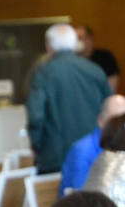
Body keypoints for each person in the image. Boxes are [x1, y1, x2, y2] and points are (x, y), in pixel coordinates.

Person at [26, 23, 112, 174]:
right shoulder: (95, 71)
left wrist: (37, 145)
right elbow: (110, 110)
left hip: (55, 159)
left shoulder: (43, 73)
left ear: (49, 47)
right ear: (75, 45)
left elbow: (35, 116)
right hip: (94, 157)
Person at [59, 94, 125, 195]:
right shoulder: (82, 151)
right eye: (116, 121)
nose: (123, 128)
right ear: (101, 120)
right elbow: (84, 198)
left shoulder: (122, 148)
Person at [76, 24, 121, 93]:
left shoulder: (105, 57)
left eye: (80, 38)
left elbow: (112, 85)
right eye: (75, 39)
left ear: (90, 39)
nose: (76, 42)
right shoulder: (72, 60)